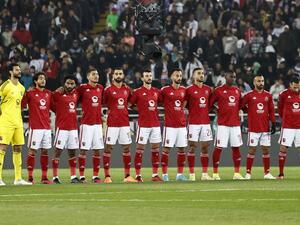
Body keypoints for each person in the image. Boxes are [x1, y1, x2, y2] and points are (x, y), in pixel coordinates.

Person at [0, 63, 32, 186]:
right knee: (2, 148)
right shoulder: (5, 86)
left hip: (17, 122)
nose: (19, 71)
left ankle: (18, 179)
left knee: (18, 148)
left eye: (19, 69)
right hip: (5, 121)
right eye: (16, 70)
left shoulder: (21, 88)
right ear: (10, 72)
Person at [210, 70, 244, 180]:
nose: (233, 78)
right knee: (218, 148)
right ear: (225, 76)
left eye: (234, 77)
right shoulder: (218, 90)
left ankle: (237, 173)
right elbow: (210, 104)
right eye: (231, 76)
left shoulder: (237, 91)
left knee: (236, 148)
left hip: (235, 124)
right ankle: (215, 174)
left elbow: (240, 106)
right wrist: (216, 110)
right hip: (223, 124)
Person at [103, 68, 136, 183]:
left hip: (125, 123)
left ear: (123, 75)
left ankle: (127, 176)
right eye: (116, 74)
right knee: (108, 148)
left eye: (120, 73)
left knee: (126, 148)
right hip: (112, 123)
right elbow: (104, 103)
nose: (118, 75)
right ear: (113, 76)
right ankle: (107, 176)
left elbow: (131, 102)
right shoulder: (108, 90)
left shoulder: (127, 89)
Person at [129, 69, 163, 182]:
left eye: (150, 76)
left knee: (155, 149)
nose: (149, 77)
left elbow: (162, 103)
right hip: (143, 125)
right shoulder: (138, 92)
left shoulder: (156, 91)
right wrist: (139, 109)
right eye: (146, 76)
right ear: (142, 78)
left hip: (156, 124)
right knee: (140, 149)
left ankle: (155, 175)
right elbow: (129, 104)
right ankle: (138, 175)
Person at [241, 75, 276, 180]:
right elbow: (242, 106)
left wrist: (273, 123)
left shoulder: (268, 96)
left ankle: (267, 173)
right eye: (259, 81)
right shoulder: (249, 95)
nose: (261, 83)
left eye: (262, 81)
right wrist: (249, 111)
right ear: (254, 82)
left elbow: (271, 110)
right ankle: (248, 173)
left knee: (266, 150)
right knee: (252, 150)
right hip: (253, 128)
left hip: (265, 128)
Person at [22, 72, 53, 184]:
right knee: (32, 151)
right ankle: (30, 178)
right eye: (40, 78)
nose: (42, 80)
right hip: (35, 128)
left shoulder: (49, 93)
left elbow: (55, 107)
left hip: (46, 128)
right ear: (35, 81)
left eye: (44, 78)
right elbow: (21, 105)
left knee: (45, 151)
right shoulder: (30, 93)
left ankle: (44, 178)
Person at [76, 69, 104, 183]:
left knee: (97, 150)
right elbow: (73, 98)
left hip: (98, 124)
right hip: (86, 124)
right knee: (83, 150)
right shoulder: (82, 88)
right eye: (93, 74)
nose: (96, 76)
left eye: (97, 74)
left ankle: (95, 176)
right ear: (88, 76)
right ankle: (82, 176)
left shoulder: (101, 88)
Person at [185, 68, 213, 181]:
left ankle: (204, 174)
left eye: (202, 73)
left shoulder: (208, 89)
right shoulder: (189, 90)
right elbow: (184, 104)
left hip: (205, 123)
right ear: (193, 76)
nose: (201, 75)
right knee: (192, 147)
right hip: (193, 123)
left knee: (205, 147)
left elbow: (211, 103)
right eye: (199, 73)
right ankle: (192, 174)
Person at [51, 75, 80, 184]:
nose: (69, 85)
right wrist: (56, 111)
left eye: (72, 83)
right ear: (64, 83)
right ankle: (55, 177)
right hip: (61, 128)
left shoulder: (76, 94)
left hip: (73, 128)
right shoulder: (58, 94)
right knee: (58, 151)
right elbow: (48, 101)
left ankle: (73, 177)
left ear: (75, 85)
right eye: (68, 83)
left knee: (72, 152)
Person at [160, 68, 187, 182]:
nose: (179, 78)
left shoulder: (184, 90)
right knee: (166, 149)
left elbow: (184, 103)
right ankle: (165, 174)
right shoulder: (165, 90)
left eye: (180, 75)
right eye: (176, 75)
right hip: (170, 126)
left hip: (181, 125)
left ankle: (179, 174)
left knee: (181, 149)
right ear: (171, 77)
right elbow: (159, 101)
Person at [277, 76, 300, 179]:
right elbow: (280, 108)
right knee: (283, 148)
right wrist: (286, 119)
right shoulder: (284, 94)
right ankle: (281, 174)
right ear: (290, 84)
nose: (297, 88)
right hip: (288, 127)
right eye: (295, 86)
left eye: (298, 86)